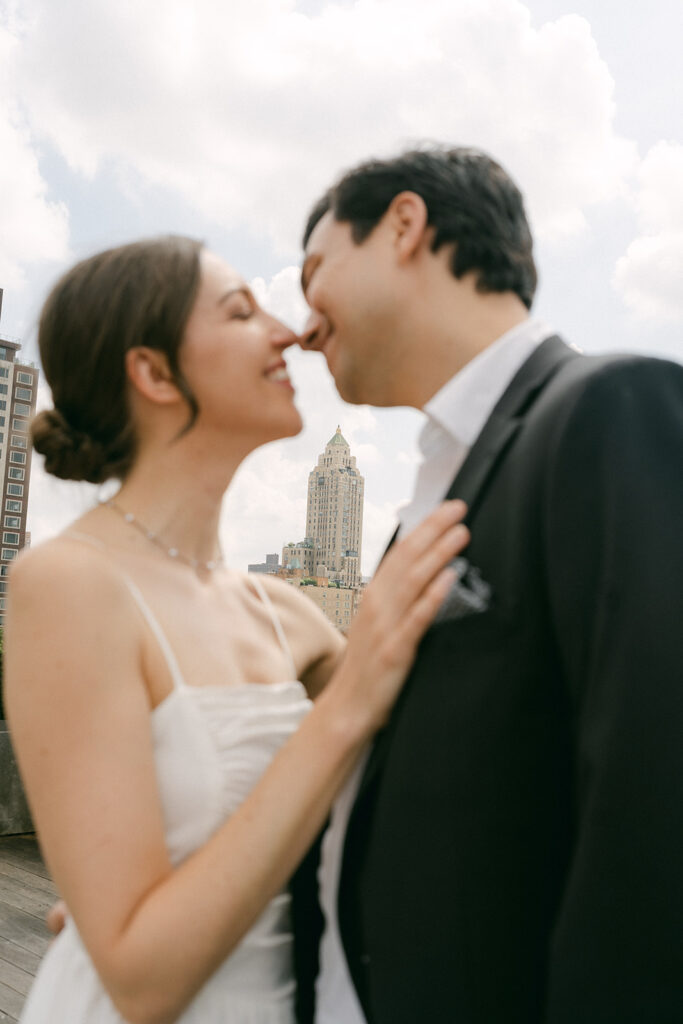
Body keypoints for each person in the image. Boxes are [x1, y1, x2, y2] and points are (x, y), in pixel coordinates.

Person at [4, 235, 471, 1024]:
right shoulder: (66, 583)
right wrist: (346, 705)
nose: (288, 332)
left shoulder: (286, 612)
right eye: (241, 312)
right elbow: (142, 983)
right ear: (152, 373)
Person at [297, 146, 683, 1023]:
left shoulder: (611, 410)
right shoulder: (424, 499)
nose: (304, 323)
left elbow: (655, 820)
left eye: (313, 270)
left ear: (402, 225)